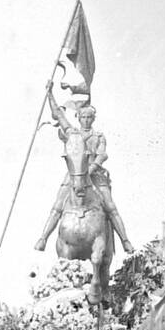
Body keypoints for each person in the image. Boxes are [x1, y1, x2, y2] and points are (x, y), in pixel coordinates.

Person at [35, 86, 134, 253]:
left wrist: (92, 168)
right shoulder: (72, 134)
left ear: (93, 119)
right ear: (78, 117)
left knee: (110, 206)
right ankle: (43, 237)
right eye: (83, 117)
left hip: (95, 175)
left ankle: (125, 240)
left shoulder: (99, 136)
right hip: (74, 175)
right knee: (58, 205)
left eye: (89, 117)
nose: (86, 120)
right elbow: (59, 115)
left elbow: (102, 155)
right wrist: (50, 94)